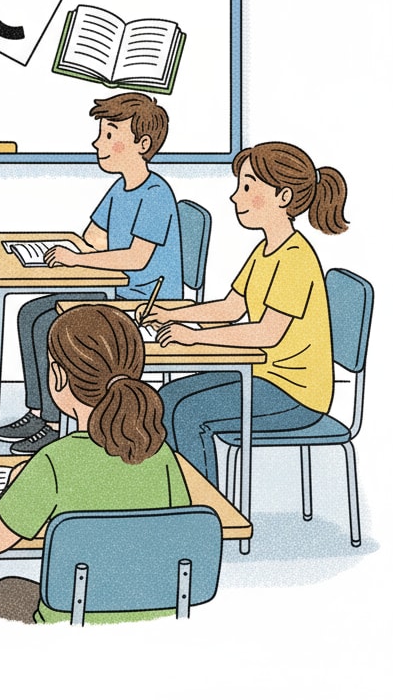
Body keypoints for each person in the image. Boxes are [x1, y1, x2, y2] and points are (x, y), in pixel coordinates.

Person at [147, 141, 348, 487]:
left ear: (282, 197)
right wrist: (171, 313)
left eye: (247, 187)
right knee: (166, 399)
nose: (235, 197)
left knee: (190, 414)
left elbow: (266, 334)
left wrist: (193, 335)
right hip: (262, 375)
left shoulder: (296, 259)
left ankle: (208, 515)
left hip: (295, 393)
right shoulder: (265, 250)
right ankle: (179, 501)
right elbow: (232, 307)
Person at [0, 304, 190, 624]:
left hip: (72, 617)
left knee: (3, 593)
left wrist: (12, 488)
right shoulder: (160, 455)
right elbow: (180, 536)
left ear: (58, 377)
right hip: (156, 616)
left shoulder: (52, 461)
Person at [0, 92, 183, 455]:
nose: (98, 142)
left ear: (142, 144)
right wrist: (70, 252)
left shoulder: (156, 193)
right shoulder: (120, 188)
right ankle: (38, 410)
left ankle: (52, 424)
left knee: (51, 324)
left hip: (141, 300)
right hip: (115, 291)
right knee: (30, 313)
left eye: (111, 135)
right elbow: (93, 238)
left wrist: (77, 260)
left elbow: (135, 258)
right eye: (101, 133)